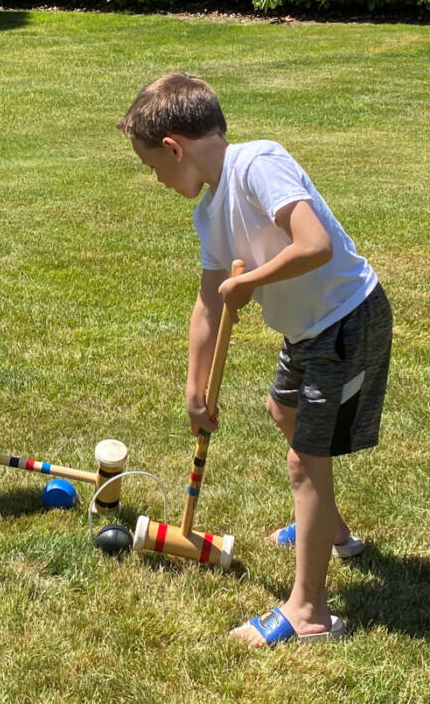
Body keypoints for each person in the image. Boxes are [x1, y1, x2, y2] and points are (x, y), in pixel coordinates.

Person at [117, 73, 392, 647]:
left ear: (174, 147)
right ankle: (333, 530)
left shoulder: (258, 163)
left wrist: (254, 283)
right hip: (307, 332)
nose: (157, 180)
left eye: (153, 168)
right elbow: (208, 301)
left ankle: (309, 612)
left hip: (346, 319)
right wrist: (196, 388)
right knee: (281, 409)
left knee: (304, 462)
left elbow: (313, 245)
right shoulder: (211, 209)